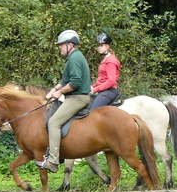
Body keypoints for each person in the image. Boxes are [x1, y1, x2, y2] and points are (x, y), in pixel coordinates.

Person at [36, 30, 91, 173]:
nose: (60, 47)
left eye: (61, 45)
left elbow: (76, 82)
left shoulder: (74, 58)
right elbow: (65, 80)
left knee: (54, 123)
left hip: (78, 98)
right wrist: (53, 90)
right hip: (72, 96)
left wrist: (60, 92)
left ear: (70, 45)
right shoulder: (73, 57)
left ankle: (53, 161)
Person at [90, 32, 121, 109]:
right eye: (98, 45)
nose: (99, 47)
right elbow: (102, 79)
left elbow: (111, 81)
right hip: (104, 90)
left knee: (93, 112)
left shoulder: (110, 61)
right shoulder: (105, 59)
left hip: (109, 91)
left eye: (101, 45)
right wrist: (91, 86)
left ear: (107, 46)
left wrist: (95, 89)